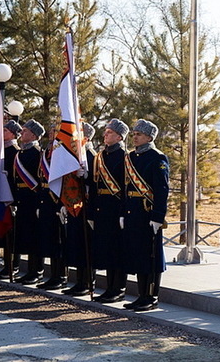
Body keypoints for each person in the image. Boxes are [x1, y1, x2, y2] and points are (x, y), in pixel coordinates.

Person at [121, 119, 169, 311]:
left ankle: (151, 296)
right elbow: (126, 188)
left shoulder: (157, 158)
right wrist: (123, 212)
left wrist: (158, 216)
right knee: (139, 254)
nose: (134, 137)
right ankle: (141, 295)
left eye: (138, 134)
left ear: (149, 137)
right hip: (133, 211)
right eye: (133, 134)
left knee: (151, 256)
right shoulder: (131, 157)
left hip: (148, 212)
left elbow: (162, 189)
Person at [89, 118, 128, 303]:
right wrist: (91, 212)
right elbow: (94, 185)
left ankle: (118, 288)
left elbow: (126, 189)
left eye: (110, 132)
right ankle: (109, 287)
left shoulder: (124, 156)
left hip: (116, 207)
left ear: (120, 136)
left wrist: (122, 213)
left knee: (118, 250)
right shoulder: (100, 156)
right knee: (105, 249)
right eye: (105, 131)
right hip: (101, 207)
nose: (105, 135)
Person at [63, 122, 97, 296]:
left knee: (87, 245)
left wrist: (88, 177)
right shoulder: (76, 156)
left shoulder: (92, 156)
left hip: (88, 207)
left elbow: (97, 183)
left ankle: (87, 282)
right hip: (75, 205)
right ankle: (79, 281)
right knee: (76, 243)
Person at [13, 119, 45, 285]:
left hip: (32, 199)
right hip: (22, 198)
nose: (21, 133)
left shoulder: (37, 153)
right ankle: (28, 271)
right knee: (24, 235)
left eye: (24, 131)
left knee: (34, 237)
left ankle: (36, 271)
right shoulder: (21, 153)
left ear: (33, 135)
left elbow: (39, 180)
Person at [36, 125, 67, 290]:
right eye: (50, 131)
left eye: (54, 131)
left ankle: (60, 276)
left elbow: (65, 181)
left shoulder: (63, 152)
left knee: (59, 240)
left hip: (58, 201)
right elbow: (42, 180)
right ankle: (53, 275)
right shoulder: (47, 151)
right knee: (50, 239)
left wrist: (63, 204)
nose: (50, 133)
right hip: (47, 201)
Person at [0, 120, 22, 279]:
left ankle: (13, 266)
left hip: (11, 197)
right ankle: (5, 265)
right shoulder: (2, 150)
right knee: (4, 231)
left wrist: (13, 200)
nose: (2, 134)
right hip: (2, 196)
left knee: (13, 233)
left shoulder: (15, 151)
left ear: (12, 133)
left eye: (5, 131)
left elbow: (16, 179)